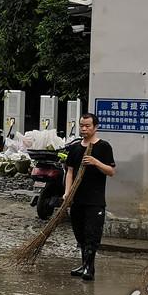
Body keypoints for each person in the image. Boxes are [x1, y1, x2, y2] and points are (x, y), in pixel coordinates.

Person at [63, 113, 115, 281]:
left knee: (91, 235)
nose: (84, 129)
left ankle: (89, 268)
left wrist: (96, 162)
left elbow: (111, 171)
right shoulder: (75, 147)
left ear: (95, 127)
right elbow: (70, 171)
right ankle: (84, 264)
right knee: (80, 235)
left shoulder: (104, 147)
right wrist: (67, 193)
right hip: (77, 200)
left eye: (87, 126)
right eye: (82, 126)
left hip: (95, 201)